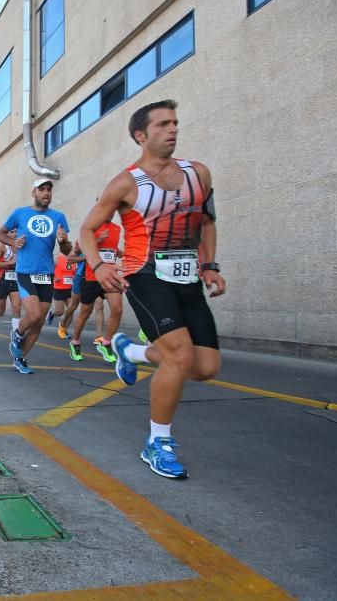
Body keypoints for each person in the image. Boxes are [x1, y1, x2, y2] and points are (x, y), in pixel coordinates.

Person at [80, 99, 225, 480]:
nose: (173, 130)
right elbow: (87, 229)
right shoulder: (127, 182)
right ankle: (157, 443)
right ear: (141, 136)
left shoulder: (199, 174)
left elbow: (206, 224)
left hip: (187, 276)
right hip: (144, 274)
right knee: (178, 358)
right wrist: (99, 264)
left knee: (205, 367)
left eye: (175, 123)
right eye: (163, 124)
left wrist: (209, 266)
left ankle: (131, 350)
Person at [0, 178, 71, 374]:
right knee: (34, 315)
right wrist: (14, 243)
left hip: (47, 274)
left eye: (49, 190)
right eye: (42, 189)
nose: (46, 193)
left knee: (38, 323)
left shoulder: (58, 217)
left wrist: (63, 241)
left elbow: (67, 249)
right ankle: (18, 334)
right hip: (26, 272)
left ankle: (20, 359)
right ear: (34, 193)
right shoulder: (20, 213)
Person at [67, 222, 124, 363]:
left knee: (117, 309)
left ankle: (106, 343)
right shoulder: (89, 228)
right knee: (85, 312)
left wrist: (123, 253)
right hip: (91, 277)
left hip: (110, 276)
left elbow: (112, 250)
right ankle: (75, 342)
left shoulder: (117, 228)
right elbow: (78, 252)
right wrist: (98, 240)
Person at [46, 251, 77, 327]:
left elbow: (75, 272)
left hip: (70, 288)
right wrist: (53, 279)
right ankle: (52, 313)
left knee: (70, 311)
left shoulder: (73, 260)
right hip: (59, 288)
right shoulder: (58, 259)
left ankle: (63, 330)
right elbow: (48, 270)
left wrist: (74, 277)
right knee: (60, 312)